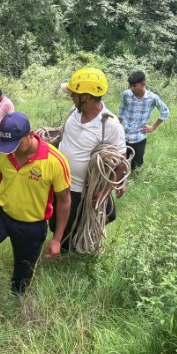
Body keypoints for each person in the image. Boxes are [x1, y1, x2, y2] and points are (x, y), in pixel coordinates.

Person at [0, 113, 71, 318]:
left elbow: (65, 200)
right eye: (8, 144)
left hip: (32, 223)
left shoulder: (54, 160)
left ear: (30, 135)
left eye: (17, 143)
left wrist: (57, 239)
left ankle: (20, 297)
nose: (12, 150)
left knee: (23, 273)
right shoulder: (3, 151)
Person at [53, 67, 127, 252]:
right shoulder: (74, 111)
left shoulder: (110, 125)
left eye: (74, 93)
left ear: (85, 97)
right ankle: (64, 247)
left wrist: (104, 192)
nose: (70, 95)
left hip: (80, 189)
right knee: (55, 223)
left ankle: (73, 255)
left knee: (71, 227)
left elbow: (122, 162)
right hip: (60, 182)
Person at [117, 71, 169, 172]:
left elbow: (165, 111)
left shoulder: (152, 98)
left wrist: (153, 127)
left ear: (143, 84)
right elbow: (121, 110)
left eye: (134, 86)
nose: (131, 88)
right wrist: (118, 127)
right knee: (121, 161)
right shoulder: (126, 94)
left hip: (139, 136)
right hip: (124, 134)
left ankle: (133, 178)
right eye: (130, 86)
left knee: (137, 164)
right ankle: (121, 178)